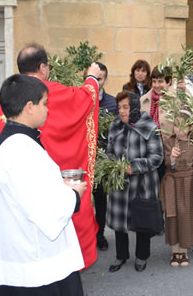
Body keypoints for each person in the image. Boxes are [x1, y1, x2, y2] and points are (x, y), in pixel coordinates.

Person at [0, 44, 100, 285]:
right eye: (44, 104)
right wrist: (73, 194)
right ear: (29, 107)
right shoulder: (24, 149)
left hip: (12, 240)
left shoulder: (4, 105)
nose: (48, 109)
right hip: (36, 260)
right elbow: (85, 98)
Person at [106, 91, 163, 273]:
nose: (122, 111)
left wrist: (134, 166)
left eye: (126, 107)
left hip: (143, 184)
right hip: (120, 184)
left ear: (135, 108)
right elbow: (108, 152)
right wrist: (112, 165)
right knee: (120, 221)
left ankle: (141, 256)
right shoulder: (115, 126)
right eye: (119, 107)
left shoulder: (148, 125)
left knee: (142, 221)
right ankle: (121, 255)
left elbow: (157, 157)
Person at [160, 112, 193, 267]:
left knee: (186, 216)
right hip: (172, 182)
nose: (179, 129)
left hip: (189, 183)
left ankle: (184, 251)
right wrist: (171, 158)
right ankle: (174, 251)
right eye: (176, 125)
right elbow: (166, 165)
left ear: (190, 126)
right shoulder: (168, 142)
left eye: (183, 125)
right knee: (172, 217)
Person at [90, 61, 117, 251]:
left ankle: (99, 234)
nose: (96, 82)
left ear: (105, 80)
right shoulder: (82, 98)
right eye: (93, 78)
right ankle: (85, 235)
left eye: (100, 79)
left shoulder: (112, 103)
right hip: (83, 158)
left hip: (102, 160)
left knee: (100, 199)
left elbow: (115, 132)